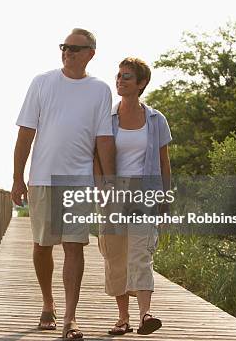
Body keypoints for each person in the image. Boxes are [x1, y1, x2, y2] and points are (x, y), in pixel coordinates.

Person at [12, 28, 115, 340]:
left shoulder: (100, 90)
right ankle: (48, 303)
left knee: (74, 246)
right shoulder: (42, 82)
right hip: (43, 177)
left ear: (90, 54)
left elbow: (104, 139)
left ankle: (70, 318)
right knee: (43, 246)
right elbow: (25, 133)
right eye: (64, 47)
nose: (67, 53)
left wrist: (109, 183)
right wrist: (17, 177)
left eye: (74, 48)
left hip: (79, 180)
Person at [94, 57, 172, 336]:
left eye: (127, 77)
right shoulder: (107, 118)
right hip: (113, 194)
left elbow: (164, 162)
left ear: (141, 84)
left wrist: (166, 198)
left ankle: (145, 315)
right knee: (115, 254)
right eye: (118, 75)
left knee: (141, 253)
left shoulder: (156, 119)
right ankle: (123, 317)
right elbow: (96, 157)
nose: (120, 80)